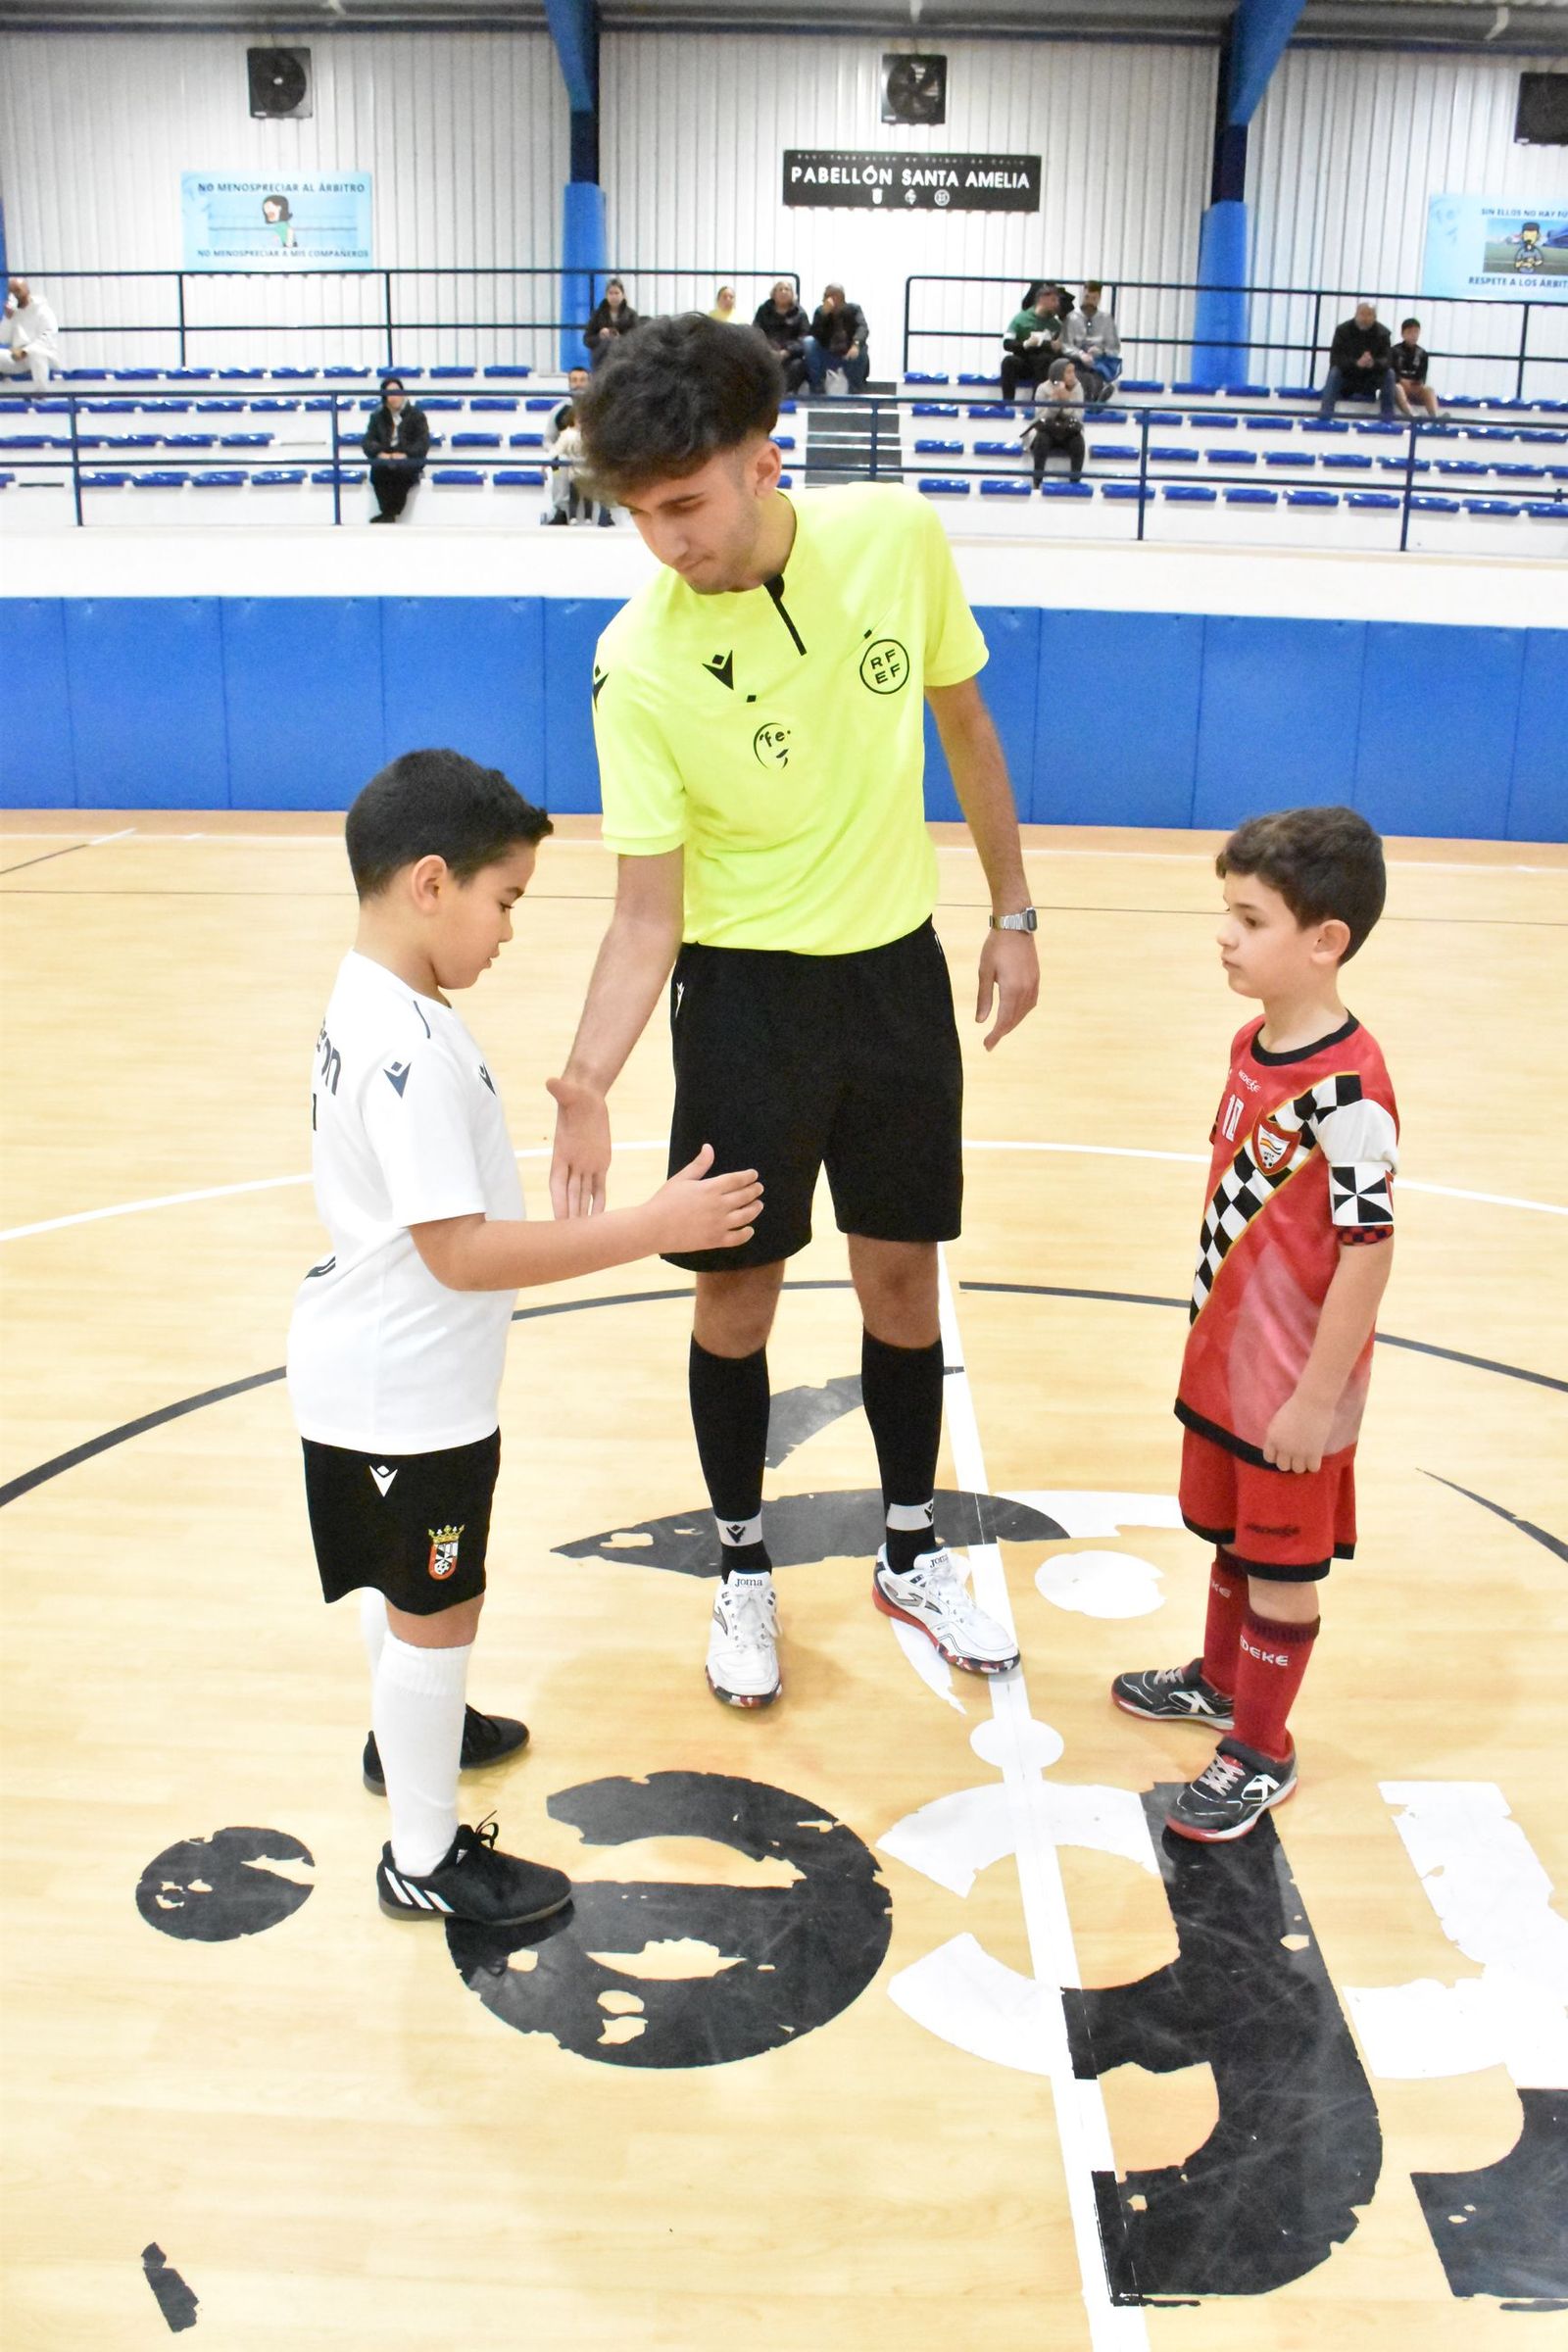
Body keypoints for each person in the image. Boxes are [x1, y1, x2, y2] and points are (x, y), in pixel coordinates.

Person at [556, 313, 1040, 1710]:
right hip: (746, 1002)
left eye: (686, 505)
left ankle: (909, 1548)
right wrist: (591, 1073)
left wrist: (1012, 915)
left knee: (903, 1282)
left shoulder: (897, 538)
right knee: (737, 1296)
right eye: (641, 515)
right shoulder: (637, 660)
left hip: (894, 981)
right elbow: (647, 907)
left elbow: (966, 727)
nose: (666, 540)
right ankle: (742, 1567)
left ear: (766, 463)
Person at [286, 748, 761, 1924]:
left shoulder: (381, 1001)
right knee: (439, 1601)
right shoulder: (407, 1051)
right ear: (431, 883)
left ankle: (410, 1735)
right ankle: (424, 1855)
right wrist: (655, 1226)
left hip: (375, 1371)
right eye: (505, 902)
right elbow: (462, 1253)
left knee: (407, 1596)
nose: (508, 932)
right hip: (406, 1389)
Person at [1112, 806, 1398, 1842]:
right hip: (1228, 1369)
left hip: (1292, 1388)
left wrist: (1317, 1397)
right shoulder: (1253, 1041)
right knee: (1233, 1545)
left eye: (1249, 919)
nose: (1224, 936)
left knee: (1280, 1572)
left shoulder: (1354, 1096)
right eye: (1224, 913)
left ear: (1325, 941)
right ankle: (1221, 1683)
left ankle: (1261, 1749)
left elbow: (1367, 1251)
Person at [361, 375, 429, 523]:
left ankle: (390, 512)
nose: (394, 397)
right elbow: (368, 441)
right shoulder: (377, 416)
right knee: (378, 470)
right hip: (387, 457)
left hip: (408, 459)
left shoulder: (417, 416)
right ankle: (387, 512)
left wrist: (405, 454)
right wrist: (381, 453)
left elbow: (422, 444)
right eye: (390, 394)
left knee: (400, 470)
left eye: (397, 392)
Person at [1319, 303, 1395, 421]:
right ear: (1355, 314)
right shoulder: (1342, 331)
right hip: (1348, 376)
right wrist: (1356, 363)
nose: (1365, 318)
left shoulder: (1383, 333)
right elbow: (1336, 359)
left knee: (1390, 374)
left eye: (1369, 315)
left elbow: (1388, 360)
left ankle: (1387, 419)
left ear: (1375, 317)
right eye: (1362, 314)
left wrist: (1373, 363)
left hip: (1371, 377)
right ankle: (1325, 416)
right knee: (1334, 372)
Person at [1022, 360, 1085, 482]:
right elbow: (1040, 416)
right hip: (1048, 428)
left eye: (1073, 372)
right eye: (1069, 372)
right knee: (1041, 440)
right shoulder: (1042, 388)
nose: (1073, 375)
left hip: (1069, 428)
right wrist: (1055, 402)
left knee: (1078, 442)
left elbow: (1079, 416)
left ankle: (1075, 482)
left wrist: (1067, 403)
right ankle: (1037, 481)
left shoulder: (1078, 387)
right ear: (1059, 374)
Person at [803, 284, 869, 395]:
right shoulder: (820, 311)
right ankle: (817, 386)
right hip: (826, 353)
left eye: (826, 296)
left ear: (837, 297)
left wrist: (856, 344)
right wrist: (823, 316)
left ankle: (856, 389)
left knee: (862, 348)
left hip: (848, 354)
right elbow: (813, 333)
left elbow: (863, 328)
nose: (823, 299)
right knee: (808, 342)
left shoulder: (854, 309)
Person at [545, 366, 591, 521]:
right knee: (558, 464)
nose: (578, 384)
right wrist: (557, 453)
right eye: (574, 380)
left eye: (583, 380)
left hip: (591, 456)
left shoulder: (599, 408)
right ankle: (561, 511)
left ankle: (606, 513)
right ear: (569, 383)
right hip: (567, 457)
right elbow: (548, 439)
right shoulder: (558, 410)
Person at [0, 278, 63, 391]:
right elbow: (3, 339)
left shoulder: (43, 311)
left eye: (17, 291)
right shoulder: (14, 314)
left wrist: (26, 351)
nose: (14, 295)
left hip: (43, 355)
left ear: (27, 291)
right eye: (11, 292)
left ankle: (41, 395)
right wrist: (7, 319)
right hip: (18, 357)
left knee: (36, 354)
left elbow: (48, 336)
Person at [1000, 283, 1056, 407]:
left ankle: (1035, 403)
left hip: (1044, 367)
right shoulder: (1021, 319)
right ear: (1042, 299)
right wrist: (1026, 344)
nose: (1056, 304)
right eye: (1053, 300)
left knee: (1045, 360)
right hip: (1024, 363)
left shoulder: (1055, 325)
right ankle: (1008, 403)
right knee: (1008, 362)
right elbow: (1007, 343)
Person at [752, 280, 810, 394]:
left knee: (798, 365)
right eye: (780, 289)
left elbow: (804, 338)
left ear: (792, 294)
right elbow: (756, 332)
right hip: (767, 353)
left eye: (787, 289)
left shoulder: (800, 314)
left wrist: (787, 351)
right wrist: (769, 351)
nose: (783, 292)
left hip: (790, 356)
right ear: (774, 294)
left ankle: (786, 394)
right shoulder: (763, 311)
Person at [1070, 281, 1122, 404]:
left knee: (1096, 374)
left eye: (1094, 298)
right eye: (1087, 297)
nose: (1090, 301)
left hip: (1097, 362)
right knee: (1081, 375)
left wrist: (1101, 350)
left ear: (1099, 298)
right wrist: (1081, 354)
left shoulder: (1106, 320)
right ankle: (1092, 400)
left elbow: (1114, 347)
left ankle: (1095, 398)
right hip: (1076, 361)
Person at [1391, 318, 1441, 421]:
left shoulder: (1422, 353)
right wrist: (1402, 381)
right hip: (1399, 387)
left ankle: (1435, 417)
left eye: (1416, 332)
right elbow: (1391, 373)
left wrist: (1415, 383)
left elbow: (1422, 376)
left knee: (1429, 389)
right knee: (1397, 387)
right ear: (1403, 334)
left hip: (1414, 387)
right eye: (1409, 332)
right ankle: (1412, 415)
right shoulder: (1394, 351)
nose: (1413, 335)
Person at [585, 278, 639, 369]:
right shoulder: (597, 315)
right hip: (601, 360)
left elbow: (637, 339)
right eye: (610, 293)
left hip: (624, 359)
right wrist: (600, 336)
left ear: (623, 295)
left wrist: (619, 338)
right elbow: (587, 339)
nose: (614, 296)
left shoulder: (631, 315)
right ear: (606, 295)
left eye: (617, 293)